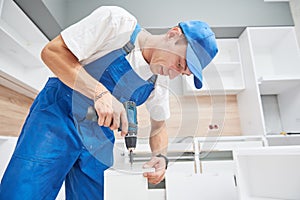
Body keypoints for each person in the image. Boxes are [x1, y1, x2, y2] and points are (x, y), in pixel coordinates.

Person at [0, 6, 218, 200]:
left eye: (182, 73)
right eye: (179, 63)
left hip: (98, 139)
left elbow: (159, 126)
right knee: (24, 192)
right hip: (58, 119)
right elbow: (52, 52)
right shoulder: (117, 23)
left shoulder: (158, 82)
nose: (173, 74)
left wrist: (160, 156)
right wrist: (100, 93)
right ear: (173, 34)